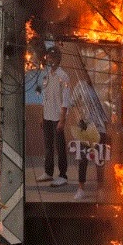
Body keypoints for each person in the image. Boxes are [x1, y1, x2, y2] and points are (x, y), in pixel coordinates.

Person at [36, 48, 73, 186]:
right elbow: (44, 98)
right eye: (48, 58)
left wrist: (62, 119)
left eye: (52, 58)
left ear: (58, 59)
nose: (49, 60)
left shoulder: (63, 76)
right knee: (48, 146)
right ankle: (48, 172)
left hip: (58, 117)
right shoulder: (46, 75)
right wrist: (42, 116)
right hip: (47, 116)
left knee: (60, 147)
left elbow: (66, 100)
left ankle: (63, 175)